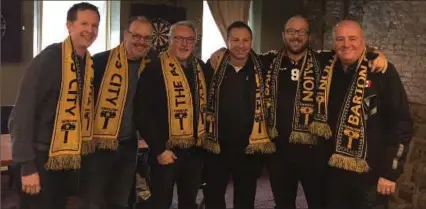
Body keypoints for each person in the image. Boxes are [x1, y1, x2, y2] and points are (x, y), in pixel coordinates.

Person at [209, 15, 388, 209]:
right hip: (278, 152)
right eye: (291, 31)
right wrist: (220, 51)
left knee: (318, 202)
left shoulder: (325, 60)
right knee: (284, 203)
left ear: (308, 36)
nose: (296, 36)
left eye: (301, 31)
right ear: (283, 35)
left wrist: (373, 52)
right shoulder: (267, 61)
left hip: (314, 153)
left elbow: (349, 52)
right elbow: (240, 55)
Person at [310, 20, 413, 209]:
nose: (346, 44)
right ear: (334, 43)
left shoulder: (382, 71)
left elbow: (401, 124)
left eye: (352, 38)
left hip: (371, 177)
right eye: (340, 39)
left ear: (363, 41)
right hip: (333, 174)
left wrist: (390, 173)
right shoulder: (327, 68)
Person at [9, 2, 100, 209]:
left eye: (95, 26)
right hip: (39, 160)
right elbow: (21, 115)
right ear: (69, 25)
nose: (90, 30)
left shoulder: (88, 64)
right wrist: (27, 167)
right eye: (84, 23)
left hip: (64, 160)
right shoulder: (49, 59)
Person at [78, 16, 155, 209]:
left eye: (147, 38)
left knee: (119, 201)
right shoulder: (100, 62)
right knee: (92, 201)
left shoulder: (152, 67)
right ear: (125, 35)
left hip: (129, 145)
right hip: (98, 145)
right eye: (136, 35)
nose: (141, 41)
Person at [133, 20, 210, 209]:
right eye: (179, 38)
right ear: (169, 40)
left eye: (190, 39)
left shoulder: (201, 68)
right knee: (161, 202)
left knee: (188, 201)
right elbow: (142, 112)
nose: (185, 44)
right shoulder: (154, 68)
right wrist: (159, 149)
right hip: (165, 151)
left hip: (194, 151)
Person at [202, 21, 275, 209]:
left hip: (248, 146)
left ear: (251, 42)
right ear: (226, 41)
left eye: (245, 40)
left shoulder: (263, 66)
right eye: (235, 39)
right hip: (217, 145)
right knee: (214, 195)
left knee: (245, 198)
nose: (240, 45)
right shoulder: (212, 67)